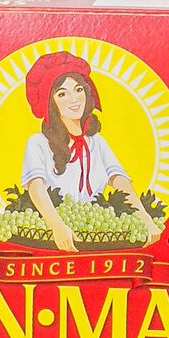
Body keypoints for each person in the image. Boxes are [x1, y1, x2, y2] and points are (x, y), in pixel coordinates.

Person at [18, 51, 152, 252]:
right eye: (62, 93)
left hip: (94, 231)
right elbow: (36, 186)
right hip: (55, 235)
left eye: (78, 89)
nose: (74, 99)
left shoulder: (97, 143)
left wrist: (145, 217)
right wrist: (57, 226)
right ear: (50, 103)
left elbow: (119, 180)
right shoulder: (38, 143)